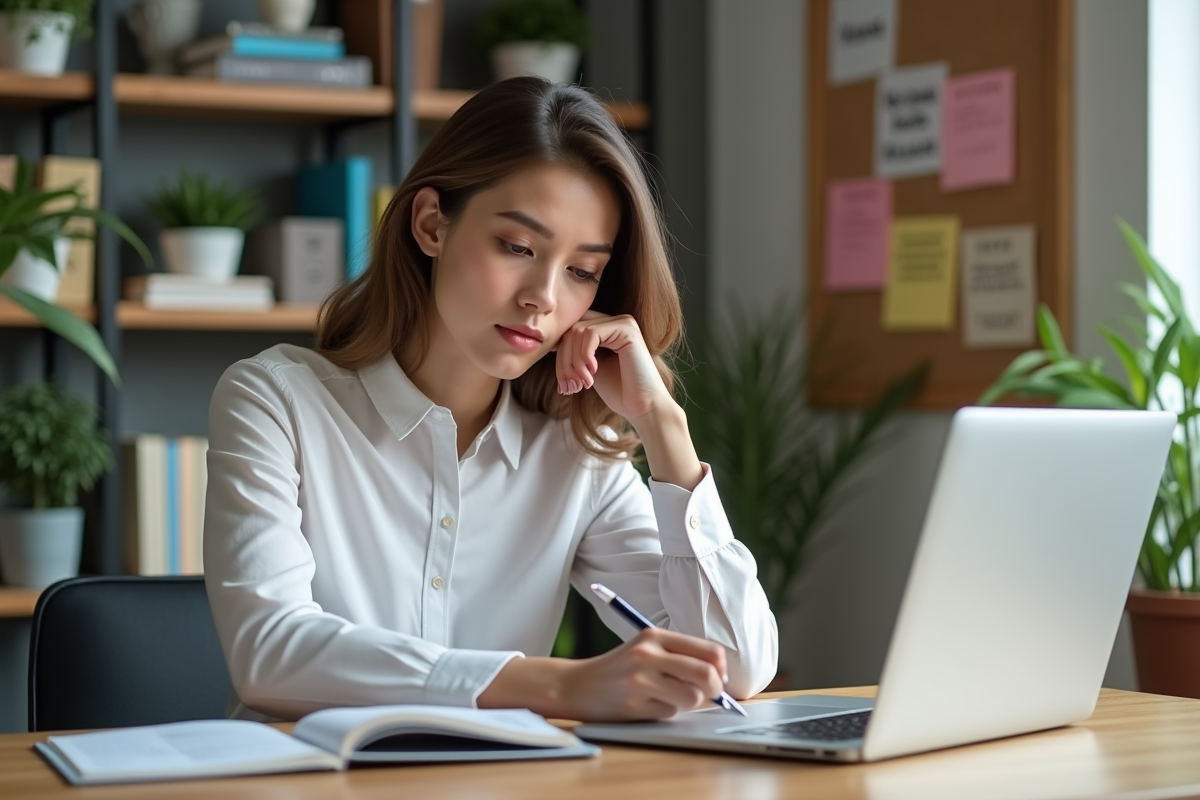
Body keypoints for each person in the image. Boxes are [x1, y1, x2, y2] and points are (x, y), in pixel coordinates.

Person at [203, 77, 778, 724]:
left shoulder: (576, 456)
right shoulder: (276, 401)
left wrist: (663, 428)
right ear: (430, 225)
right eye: (517, 247)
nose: (544, 296)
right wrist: (556, 687)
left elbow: (733, 667)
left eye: (582, 271)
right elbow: (269, 654)